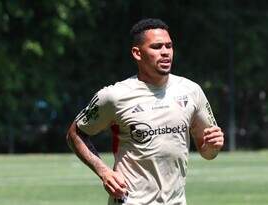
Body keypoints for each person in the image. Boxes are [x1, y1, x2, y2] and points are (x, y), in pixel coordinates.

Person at [66, 18, 224, 205]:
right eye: (157, 47)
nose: (165, 52)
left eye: (169, 46)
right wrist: (104, 172)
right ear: (137, 53)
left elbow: (207, 152)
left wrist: (213, 147)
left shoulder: (191, 91)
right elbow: (75, 134)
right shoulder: (114, 96)